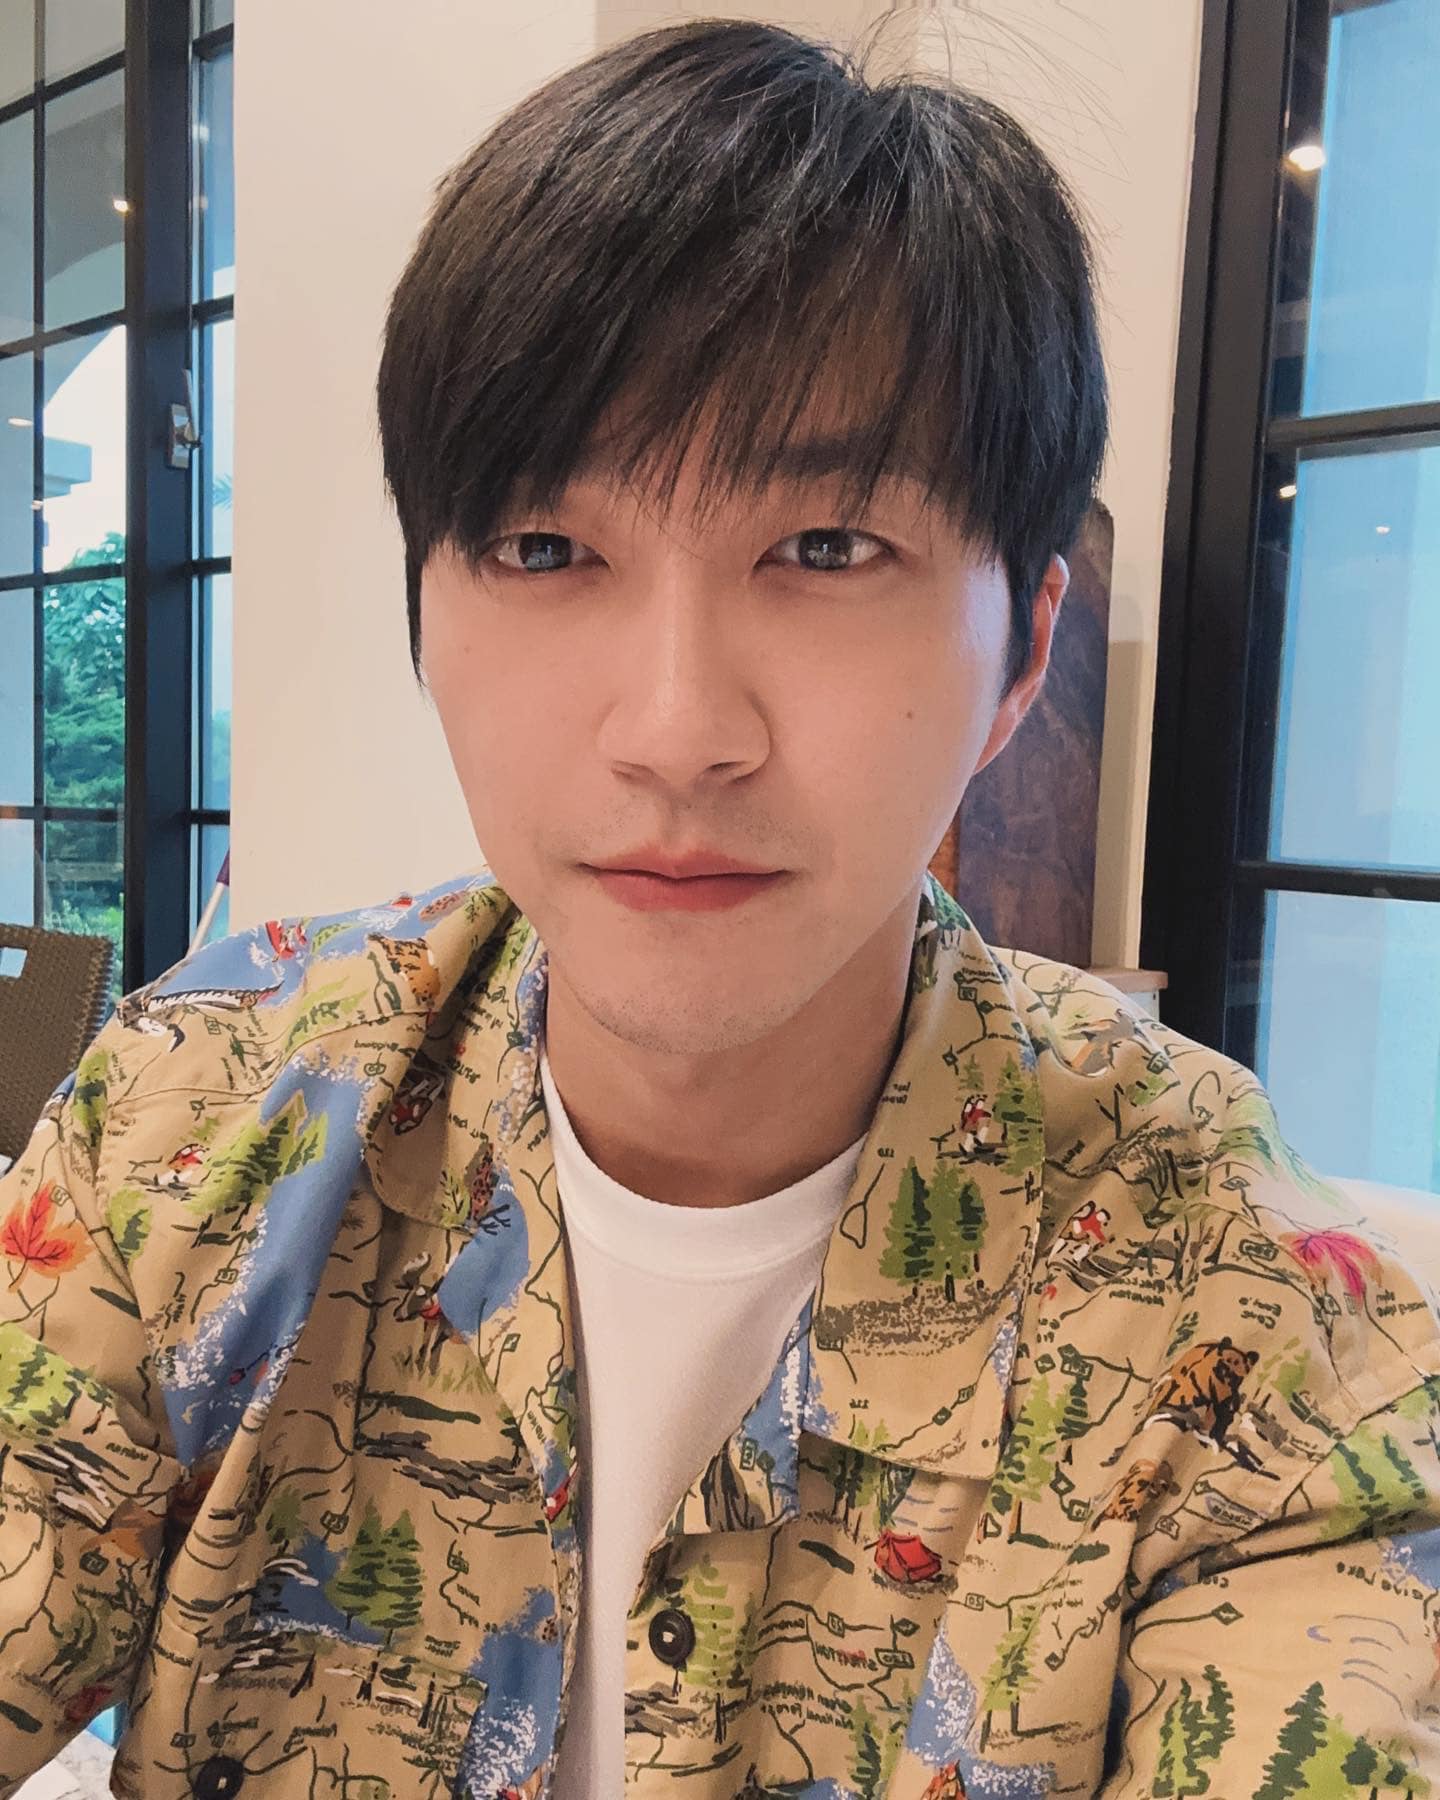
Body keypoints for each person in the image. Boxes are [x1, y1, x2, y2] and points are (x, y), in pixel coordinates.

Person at [2, 16, 1438, 1799]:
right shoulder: (190, 1124)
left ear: (1024, 650)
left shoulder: (1244, 1311)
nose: (678, 730)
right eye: (547, 549)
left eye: (827, 548)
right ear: (423, 614)